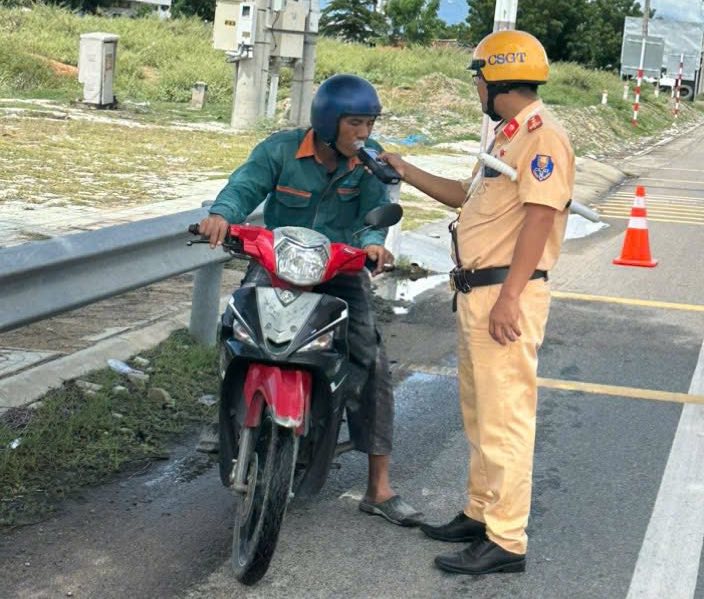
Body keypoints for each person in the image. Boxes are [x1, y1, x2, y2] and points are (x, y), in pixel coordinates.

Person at [382, 30, 574, 574]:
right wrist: (405, 169)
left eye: (478, 78)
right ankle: (481, 512)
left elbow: (541, 217)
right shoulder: (507, 137)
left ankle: (506, 539)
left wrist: (510, 297)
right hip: (477, 291)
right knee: (480, 413)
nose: (475, 87)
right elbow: (466, 198)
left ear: (497, 79)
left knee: (504, 419)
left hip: (504, 295)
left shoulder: (542, 136)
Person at [197, 74, 423, 527]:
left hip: (339, 269)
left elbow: (373, 216)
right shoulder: (280, 150)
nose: (363, 133)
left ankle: (378, 486)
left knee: (371, 357)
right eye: (355, 123)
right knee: (237, 322)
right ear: (328, 121)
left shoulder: (369, 163)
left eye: (369, 123)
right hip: (279, 262)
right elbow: (245, 185)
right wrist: (223, 215)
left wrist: (373, 244)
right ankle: (228, 415)